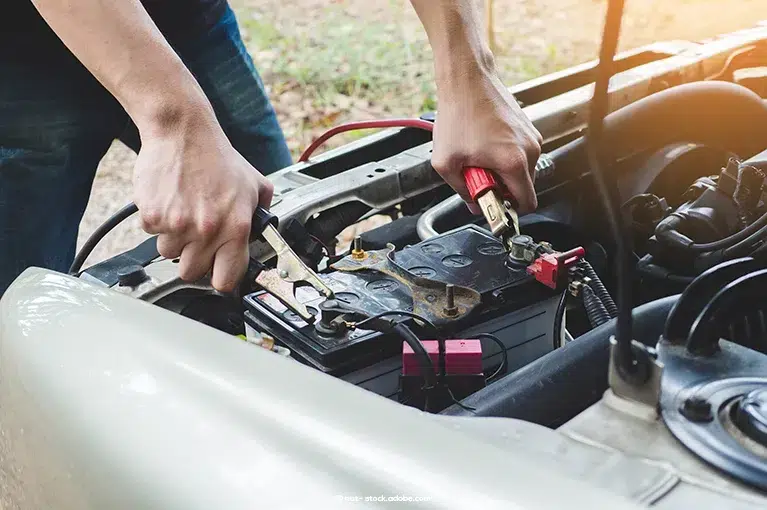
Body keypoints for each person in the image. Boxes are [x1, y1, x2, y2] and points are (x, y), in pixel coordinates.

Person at [0, 0, 541, 295]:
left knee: (278, 238)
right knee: (19, 305)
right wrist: (176, 118)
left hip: (188, 19)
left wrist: (471, 71)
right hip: (21, 59)